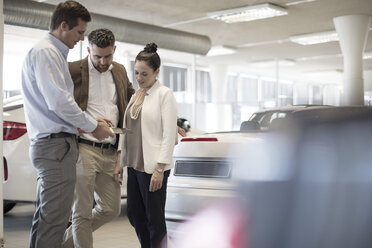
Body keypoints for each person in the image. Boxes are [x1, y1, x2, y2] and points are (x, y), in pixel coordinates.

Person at [21, 1, 114, 248]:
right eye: (80, 32)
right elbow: (59, 103)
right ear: (64, 25)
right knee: (54, 221)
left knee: (47, 219)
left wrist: (91, 121)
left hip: (54, 147)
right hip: (55, 149)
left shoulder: (50, 53)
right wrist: (94, 127)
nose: (81, 39)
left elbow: (61, 103)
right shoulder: (47, 52)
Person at [61, 28, 135, 248]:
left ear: (115, 49)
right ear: (88, 49)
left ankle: (59, 244)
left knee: (110, 209)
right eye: (97, 56)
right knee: (82, 211)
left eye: (108, 56)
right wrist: (91, 122)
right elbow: (64, 106)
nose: (103, 61)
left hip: (111, 150)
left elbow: (132, 99)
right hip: (84, 148)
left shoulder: (120, 70)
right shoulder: (73, 70)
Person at [114, 43, 178, 248]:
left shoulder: (164, 94)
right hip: (134, 165)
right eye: (136, 73)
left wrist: (160, 168)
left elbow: (169, 134)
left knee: (154, 219)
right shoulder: (137, 95)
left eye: (144, 74)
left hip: (153, 168)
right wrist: (119, 162)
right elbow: (126, 130)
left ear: (156, 72)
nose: (139, 78)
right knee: (134, 214)